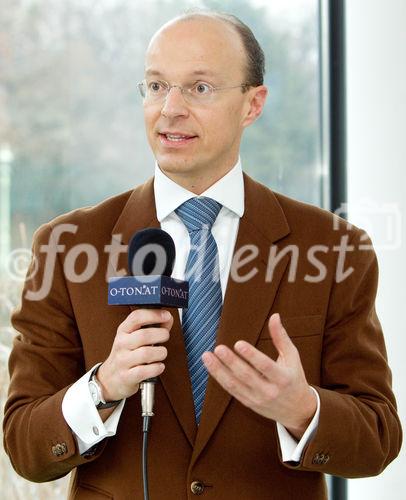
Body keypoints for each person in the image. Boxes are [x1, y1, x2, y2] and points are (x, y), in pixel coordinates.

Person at [3, 10, 402, 500]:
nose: (170, 108)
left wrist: (301, 408)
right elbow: (25, 447)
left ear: (253, 104)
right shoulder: (67, 246)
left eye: (199, 88)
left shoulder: (335, 248)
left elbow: (378, 438)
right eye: (155, 86)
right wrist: (102, 388)